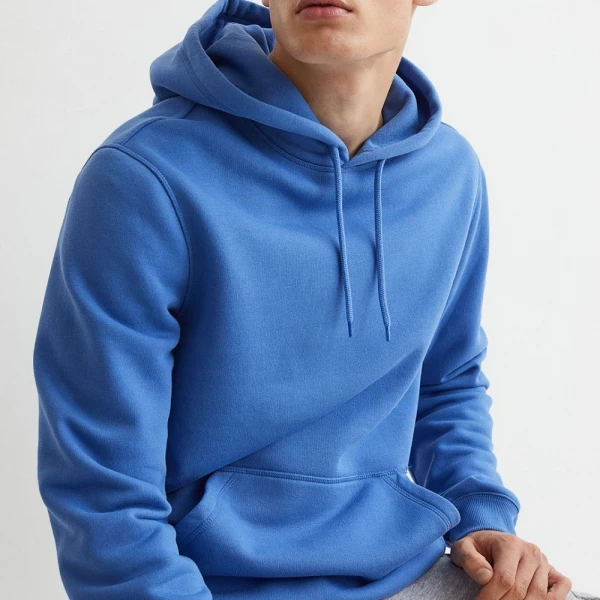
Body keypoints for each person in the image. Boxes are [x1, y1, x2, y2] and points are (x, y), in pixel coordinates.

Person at [32, 1, 598, 599]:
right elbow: (101, 491)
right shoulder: (145, 177)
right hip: (209, 585)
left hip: (403, 568)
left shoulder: (448, 173)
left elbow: (446, 380)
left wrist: (482, 516)